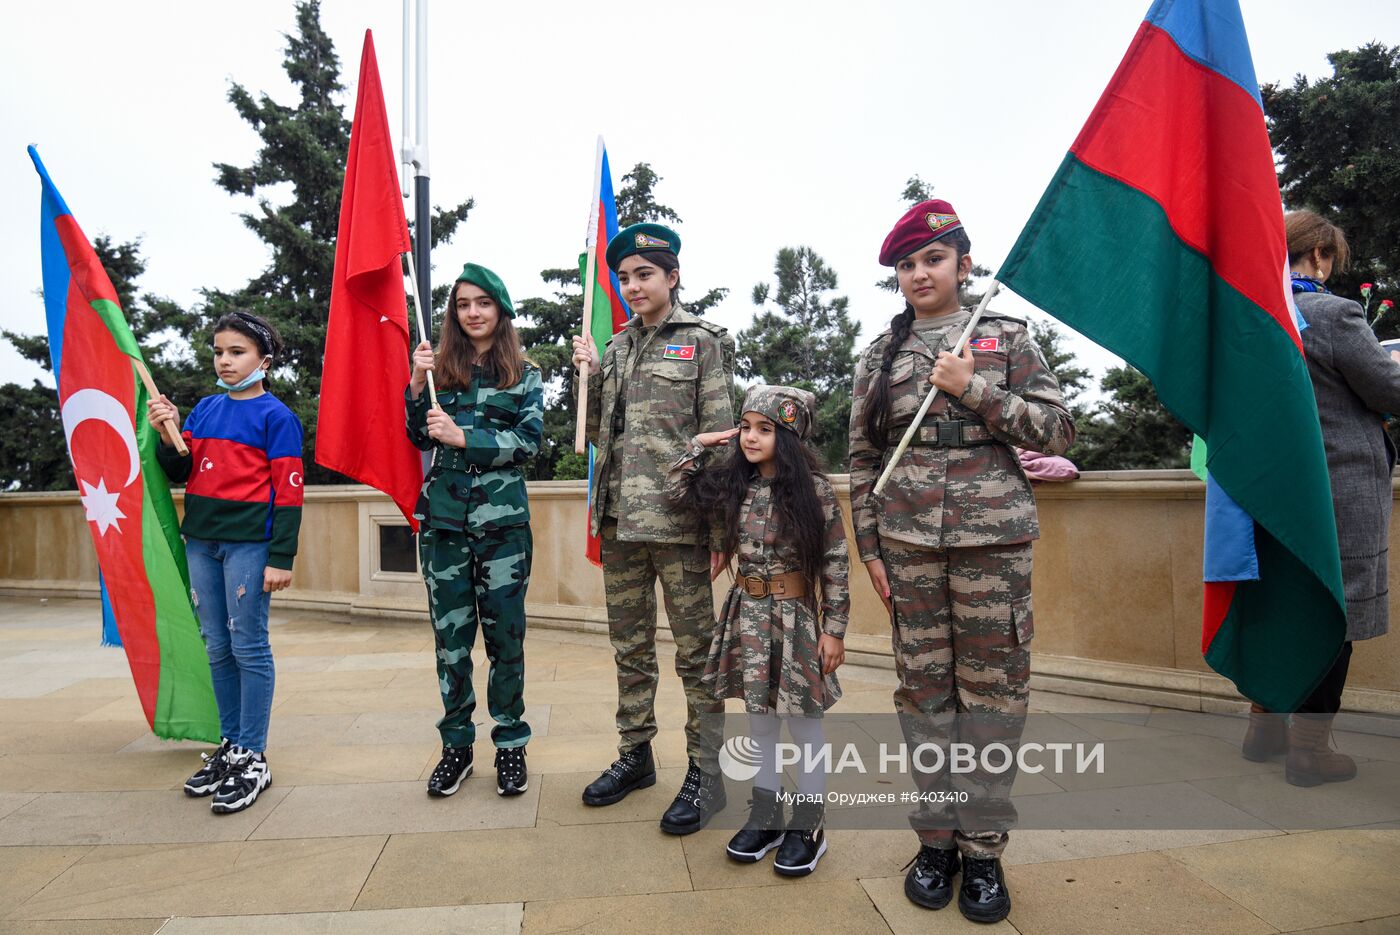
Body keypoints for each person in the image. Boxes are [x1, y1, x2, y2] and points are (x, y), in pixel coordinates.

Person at [848, 200, 1073, 923]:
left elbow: (1059, 428)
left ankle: (982, 852)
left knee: (993, 701)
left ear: (963, 265)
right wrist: (870, 547)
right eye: (907, 264)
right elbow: (860, 459)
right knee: (925, 701)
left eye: (933, 259)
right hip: (909, 546)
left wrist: (972, 388)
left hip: (992, 545)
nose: (919, 273)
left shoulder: (1004, 336)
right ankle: (937, 841)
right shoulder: (879, 356)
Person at [570, 222, 737, 834]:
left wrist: (722, 531)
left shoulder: (704, 343)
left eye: (645, 274)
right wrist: (585, 377)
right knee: (630, 650)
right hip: (619, 522)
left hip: (680, 525)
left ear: (672, 277)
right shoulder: (615, 349)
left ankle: (706, 771)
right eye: (626, 276)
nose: (633, 285)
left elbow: (723, 442)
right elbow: (597, 436)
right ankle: (635, 753)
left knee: (697, 655)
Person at [1239, 211, 1400, 785]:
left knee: (1282, 607)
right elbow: (1386, 389)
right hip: (1342, 490)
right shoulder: (1334, 313)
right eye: (1326, 254)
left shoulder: (1255, 317)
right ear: (1313, 254)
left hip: (1273, 491)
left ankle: (1263, 729)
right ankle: (1311, 749)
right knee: (1337, 613)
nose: (1328, 267)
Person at [667, 385, 849, 876]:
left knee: (804, 721)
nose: (750, 437)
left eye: (764, 429)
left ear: (787, 437)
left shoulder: (816, 490)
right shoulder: (734, 484)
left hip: (796, 618)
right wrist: (698, 446)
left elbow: (835, 561)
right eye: (746, 427)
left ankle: (810, 821)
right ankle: (767, 812)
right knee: (760, 720)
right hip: (747, 612)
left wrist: (835, 629)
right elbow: (676, 492)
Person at [147, 310, 303, 814]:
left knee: (249, 645)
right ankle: (231, 745)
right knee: (216, 644)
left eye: (237, 352)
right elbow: (180, 469)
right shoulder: (206, 411)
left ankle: (254, 755)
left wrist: (281, 557)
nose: (226, 360)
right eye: (219, 351)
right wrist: (166, 431)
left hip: (249, 547)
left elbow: (290, 495)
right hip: (202, 542)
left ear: (264, 359)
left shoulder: (276, 418)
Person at [407, 263, 543, 798]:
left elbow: (529, 442)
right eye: (463, 304)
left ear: (500, 310)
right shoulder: (441, 368)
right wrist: (418, 384)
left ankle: (511, 745)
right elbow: (419, 436)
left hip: (503, 529)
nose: (472, 313)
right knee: (451, 644)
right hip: (443, 526)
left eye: (482, 303)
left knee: (506, 641)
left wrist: (466, 439)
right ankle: (457, 747)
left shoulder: (525, 373)